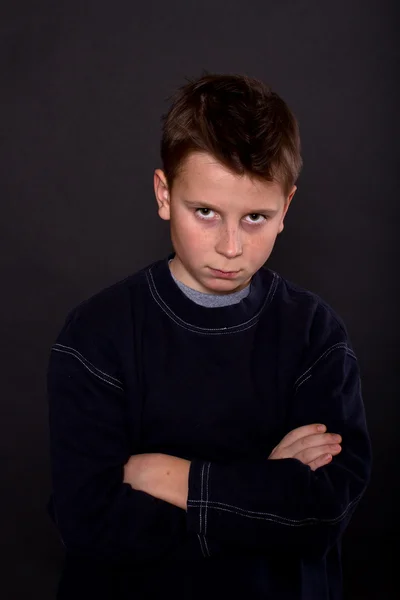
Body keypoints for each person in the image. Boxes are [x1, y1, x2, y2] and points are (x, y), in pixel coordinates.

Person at [47, 73, 372, 599]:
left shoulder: (316, 335)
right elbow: (91, 524)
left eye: (256, 218)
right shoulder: (97, 335)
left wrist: (171, 477)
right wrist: (263, 490)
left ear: (286, 209)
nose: (229, 247)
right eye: (205, 212)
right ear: (163, 194)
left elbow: (320, 515)